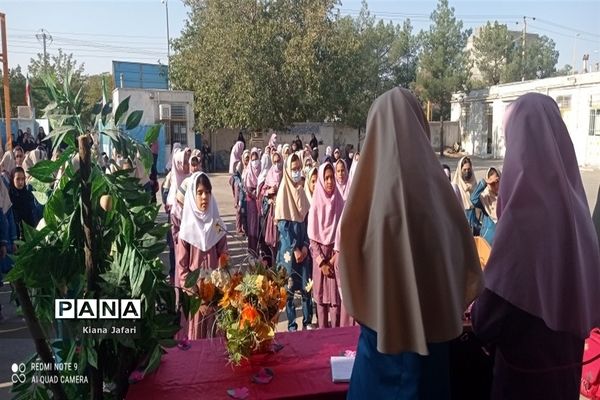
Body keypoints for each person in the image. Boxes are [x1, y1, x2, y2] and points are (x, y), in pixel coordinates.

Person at [338, 87, 482, 399]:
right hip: (434, 353)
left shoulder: (365, 200)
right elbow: (465, 263)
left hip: (378, 354)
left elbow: (348, 268)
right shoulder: (443, 197)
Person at [471, 93, 600, 400]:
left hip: (520, 385)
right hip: (565, 382)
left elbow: (485, 321)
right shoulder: (578, 214)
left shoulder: (522, 220)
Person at [177, 172, 229, 339]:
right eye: (199, 193)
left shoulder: (217, 225)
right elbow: (182, 267)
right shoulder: (186, 231)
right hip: (197, 297)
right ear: (193, 195)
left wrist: (221, 280)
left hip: (216, 293)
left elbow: (224, 255)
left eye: (207, 192)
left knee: (217, 339)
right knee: (197, 339)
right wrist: (195, 292)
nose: (204, 197)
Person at [274, 153, 313, 332]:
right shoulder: (283, 192)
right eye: (294, 169)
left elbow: (306, 221)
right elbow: (283, 227)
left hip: (303, 250)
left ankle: (307, 321)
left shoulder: (302, 192)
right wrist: (295, 248)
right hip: (289, 252)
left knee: (306, 288)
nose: (297, 172)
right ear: (288, 171)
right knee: (289, 292)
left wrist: (305, 245)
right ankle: (291, 325)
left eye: (299, 168)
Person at [308, 163, 344, 329]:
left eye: (332, 178)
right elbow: (312, 238)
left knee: (336, 305)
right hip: (320, 260)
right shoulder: (316, 203)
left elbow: (344, 232)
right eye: (326, 178)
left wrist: (336, 255)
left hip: (335, 259)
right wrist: (322, 262)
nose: (330, 181)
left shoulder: (340, 202)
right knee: (321, 304)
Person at [259, 151, 283, 265]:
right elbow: (263, 191)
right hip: (272, 211)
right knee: (271, 239)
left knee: (281, 240)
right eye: (275, 161)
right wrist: (269, 191)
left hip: (282, 212)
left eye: (279, 161)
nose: (277, 164)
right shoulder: (269, 174)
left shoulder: (284, 175)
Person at [470, 167, 500, 245]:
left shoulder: (506, 197)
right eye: (492, 183)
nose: (496, 186)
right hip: (488, 240)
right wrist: (485, 182)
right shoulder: (485, 198)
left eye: (497, 181)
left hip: (502, 241)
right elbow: (473, 199)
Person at [9, 167, 39, 241]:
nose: (21, 182)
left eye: (23, 179)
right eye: (18, 179)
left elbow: (32, 215)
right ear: (12, 179)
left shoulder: (27, 194)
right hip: (14, 236)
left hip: (29, 233)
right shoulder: (9, 197)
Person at [453, 156, 480, 235]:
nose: (467, 172)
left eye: (469, 169)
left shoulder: (474, 183)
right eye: (464, 170)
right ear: (460, 170)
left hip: (474, 219)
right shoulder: (456, 186)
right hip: (461, 218)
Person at [244, 149, 261, 254]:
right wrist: (256, 194)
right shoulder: (248, 173)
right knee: (253, 226)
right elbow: (248, 189)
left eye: (257, 159)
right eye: (253, 160)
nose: (255, 162)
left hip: (260, 202)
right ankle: (252, 250)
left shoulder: (262, 170)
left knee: (260, 227)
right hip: (252, 203)